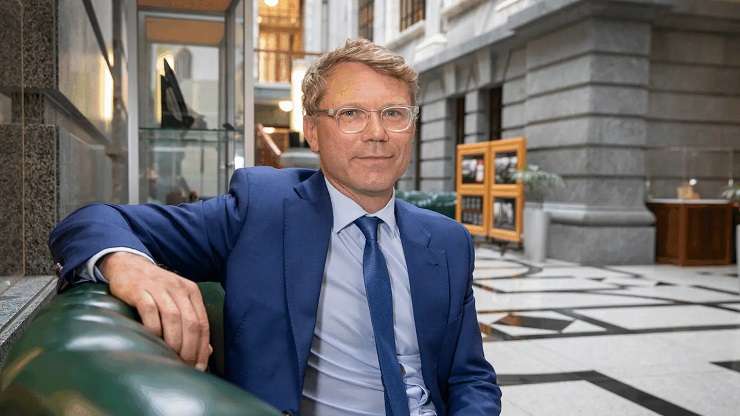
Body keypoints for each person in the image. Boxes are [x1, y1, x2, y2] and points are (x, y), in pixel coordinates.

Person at [49, 38, 502, 416]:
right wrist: (129, 265)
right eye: (350, 114)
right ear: (312, 130)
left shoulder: (448, 241)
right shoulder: (260, 212)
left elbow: (469, 376)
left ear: (411, 127)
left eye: (393, 113)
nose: (376, 133)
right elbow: (89, 221)